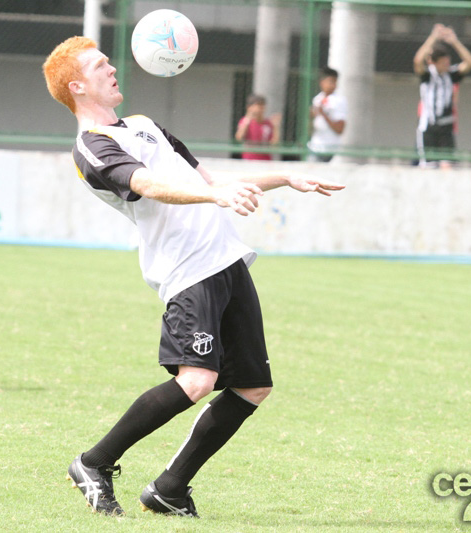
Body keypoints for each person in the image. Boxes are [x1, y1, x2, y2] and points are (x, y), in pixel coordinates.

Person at [42, 36, 344, 518]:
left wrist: (287, 178)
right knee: (198, 379)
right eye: (100, 66)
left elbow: (210, 181)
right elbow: (147, 185)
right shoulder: (92, 146)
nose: (112, 67)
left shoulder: (143, 125)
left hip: (225, 261)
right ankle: (94, 463)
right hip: (187, 272)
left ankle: (169, 488)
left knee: (252, 387)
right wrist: (214, 198)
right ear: (77, 85)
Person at [413, 24, 471, 168]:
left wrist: (454, 41)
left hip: (446, 126)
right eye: (443, 63)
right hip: (428, 126)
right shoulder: (427, 75)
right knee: (428, 166)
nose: (446, 65)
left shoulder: (451, 75)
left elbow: (470, 62)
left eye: (447, 62)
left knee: (447, 165)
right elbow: (417, 61)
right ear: (434, 63)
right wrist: (433, 38)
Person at [307, 67, 347, 162]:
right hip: (315, 146)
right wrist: (311, 117)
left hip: (329, 147)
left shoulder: (339, 101)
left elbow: (339, 129)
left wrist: (323, 114)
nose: (333, 85)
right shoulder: (317, 99)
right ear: (322, 82)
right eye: (330, 81)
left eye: (334, 82)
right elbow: (311, 126)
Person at [234, 94, 280, 160]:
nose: (261, 108)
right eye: (258, 105)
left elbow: (274, 145)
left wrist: (276, 127)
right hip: (249, 160)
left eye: (263, 105)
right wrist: (247, 119)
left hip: (265, 161)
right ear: (249, 107)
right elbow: (239, 137)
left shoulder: (268, 123)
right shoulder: (245, 121)